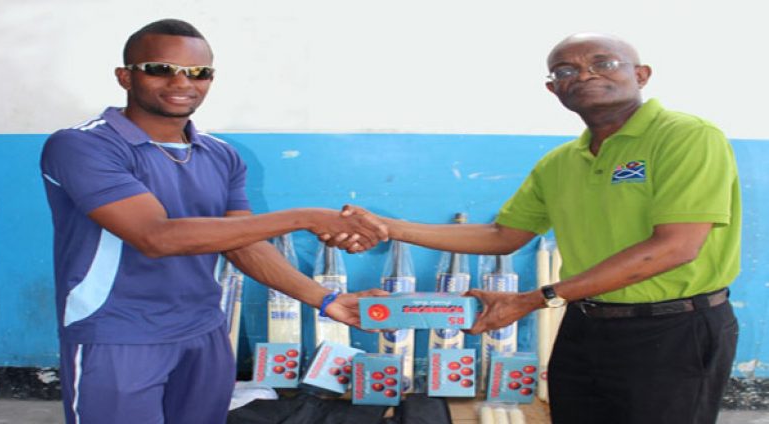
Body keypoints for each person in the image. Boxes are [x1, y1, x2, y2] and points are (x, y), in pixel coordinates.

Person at [339, 33, 740, 424]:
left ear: (642, 75)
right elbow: (504, 236)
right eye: (566, 70)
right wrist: (388, 227)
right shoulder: (561, 162)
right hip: (585, 324)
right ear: (554, 90)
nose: (583, 75)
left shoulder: (686, 137)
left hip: (673, 329)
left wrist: (536, 298)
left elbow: (675, 247)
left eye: (603, 63)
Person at [40, 19, 387, 424]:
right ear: (125, 76)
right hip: (120, 335)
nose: (181, 82)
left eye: (198, 72)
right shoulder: (84, 144)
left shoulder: (220, 154)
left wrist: (326, 300)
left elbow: (242, 243)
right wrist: (303, 217)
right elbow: (155, 237)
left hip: (204, 330)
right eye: (160, 68)